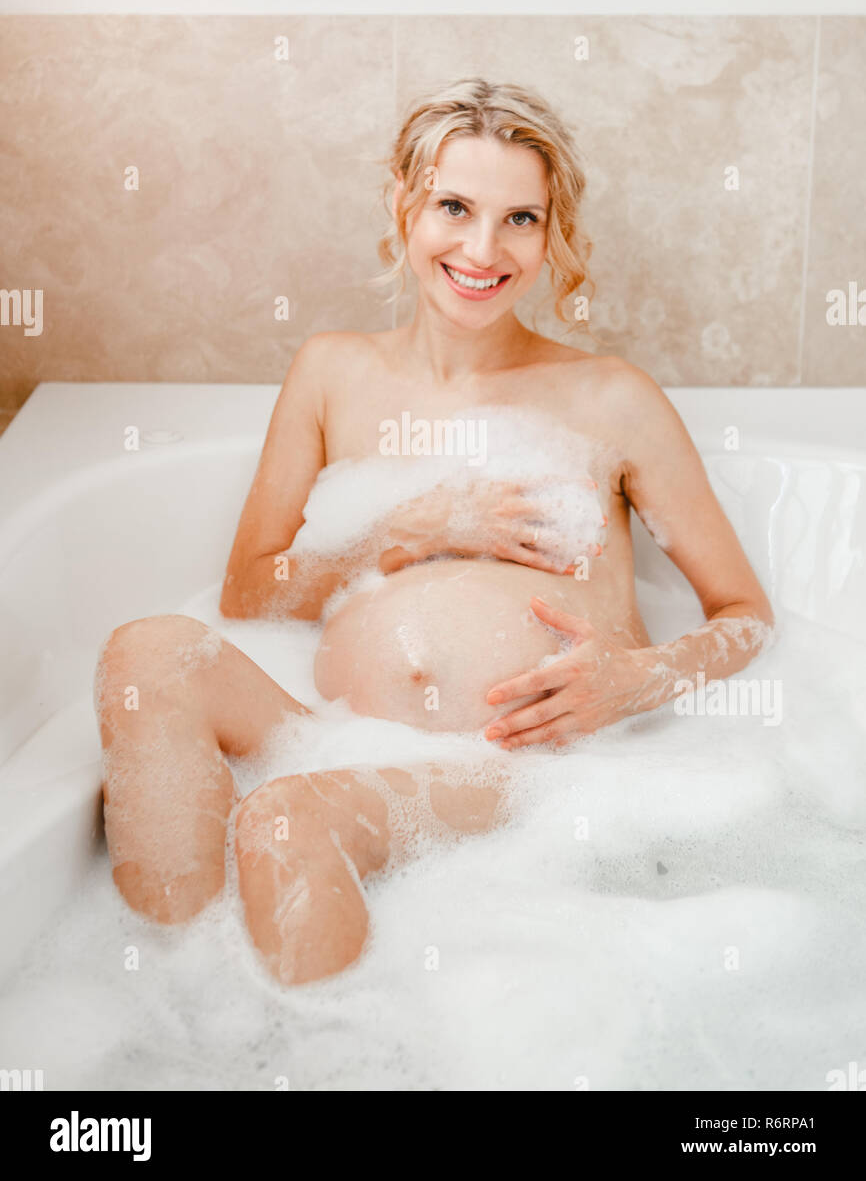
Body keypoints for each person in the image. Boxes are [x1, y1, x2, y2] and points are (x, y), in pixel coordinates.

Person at [95, 78, 774, 986]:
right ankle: (169, 993)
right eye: (454, 206)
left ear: (553, 233)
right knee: (144, 654)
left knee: (287, 817)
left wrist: (641, 678)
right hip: (333, 731)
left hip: (509, 766)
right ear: (404, 206)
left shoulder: (613, 398)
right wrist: (403, 529)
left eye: (520, 220)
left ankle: (300, 1057)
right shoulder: (332, 371)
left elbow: (744, 613)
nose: (482, 249)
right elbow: (248, 592)